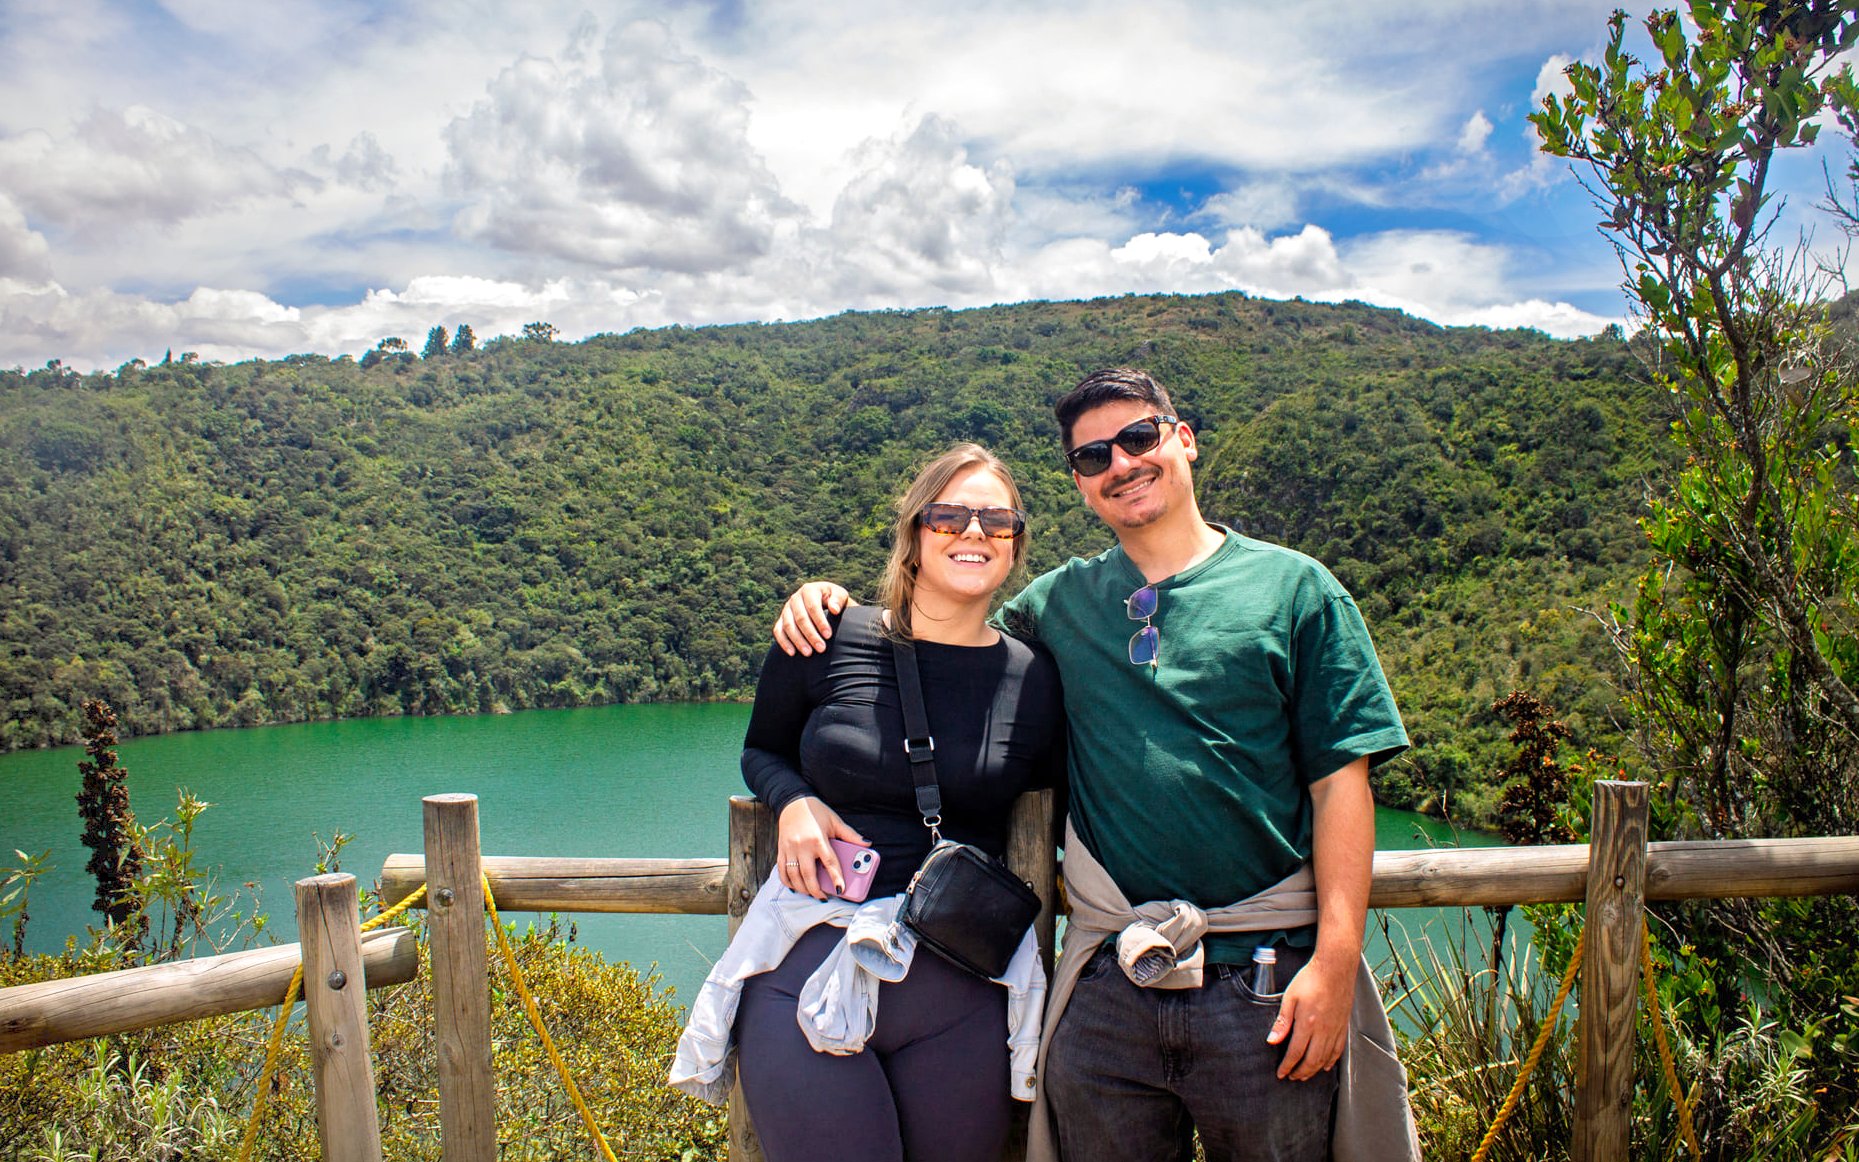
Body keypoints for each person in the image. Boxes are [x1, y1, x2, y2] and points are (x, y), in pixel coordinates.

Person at [771, 368, 1419, 1162]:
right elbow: (944, 627)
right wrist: (835, 607)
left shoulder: (1294, 589)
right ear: (1079, 485)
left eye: (1139, 438)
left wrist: (1335, 962)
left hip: (1265, 979)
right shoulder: (1057, 604)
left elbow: (1341, 782)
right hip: (1111, 981)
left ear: (1182, 440)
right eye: (1092, 456)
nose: (1121, 462)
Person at [669, 443, 1067, 1162]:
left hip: (961, 994)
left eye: (995, 521)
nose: (972, 533)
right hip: (806, 973)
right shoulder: (826, 635)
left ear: (1015, 543)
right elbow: (763, 749)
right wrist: (791, 802)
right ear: (915, 531)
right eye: (949, 516)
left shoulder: (1033, 676)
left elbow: (1065, 801)